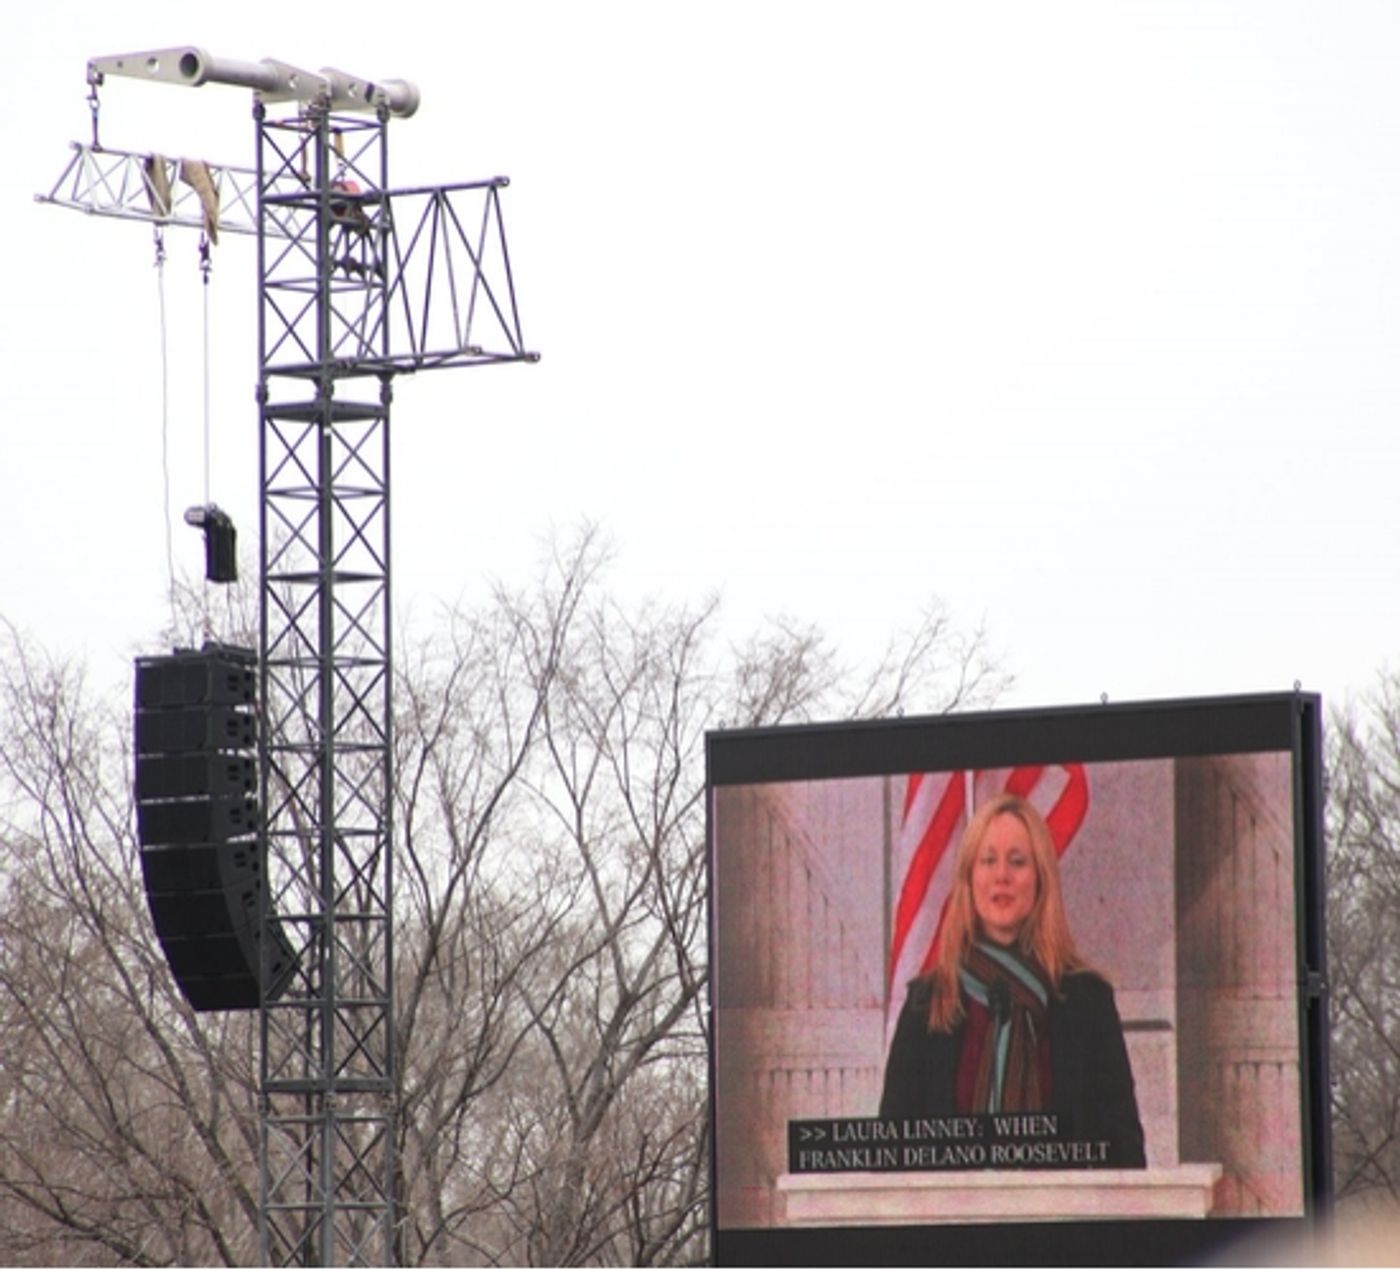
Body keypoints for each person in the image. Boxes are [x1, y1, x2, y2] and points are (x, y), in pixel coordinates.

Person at [879, 791, 1146, 1168]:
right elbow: (889, 1157)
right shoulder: (927, 1003)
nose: (1001, 876)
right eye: (988, 861)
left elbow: (1124, 1154)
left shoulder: (1087, 1001)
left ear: (1040, 879)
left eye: (1017, 862)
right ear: (969, 880)